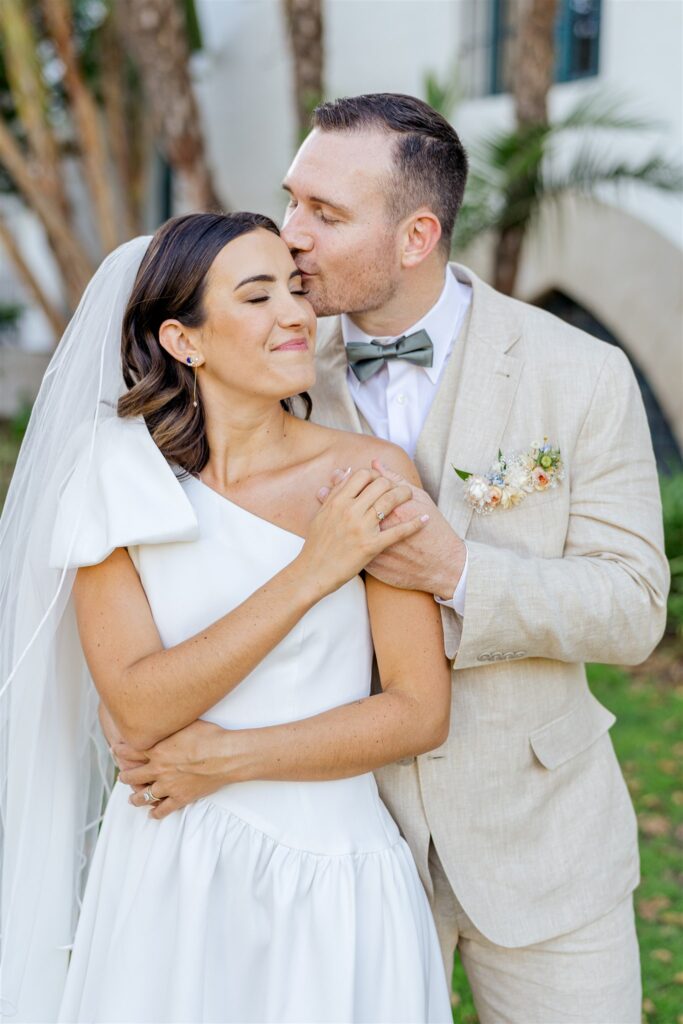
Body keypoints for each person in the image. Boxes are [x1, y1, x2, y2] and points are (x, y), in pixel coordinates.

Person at [112, 94, 670, 1024]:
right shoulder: (265, 360)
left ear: (415, 235)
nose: (289, 238)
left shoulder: (578, 372)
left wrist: (458, 573)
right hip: (332, 846)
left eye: (325, 217)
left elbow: (633, 606)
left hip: (542, 845)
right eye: (292, 200)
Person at [0, 212, 454, 1023]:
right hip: (172, 868)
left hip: (333, 871)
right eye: (256, 296)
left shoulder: (369, 474)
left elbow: (417, 712)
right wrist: (315, 568)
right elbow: (138, 706)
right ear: (184, 340)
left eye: (295, 288)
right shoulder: (114, 477)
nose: (294, 315)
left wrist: (229, 759)